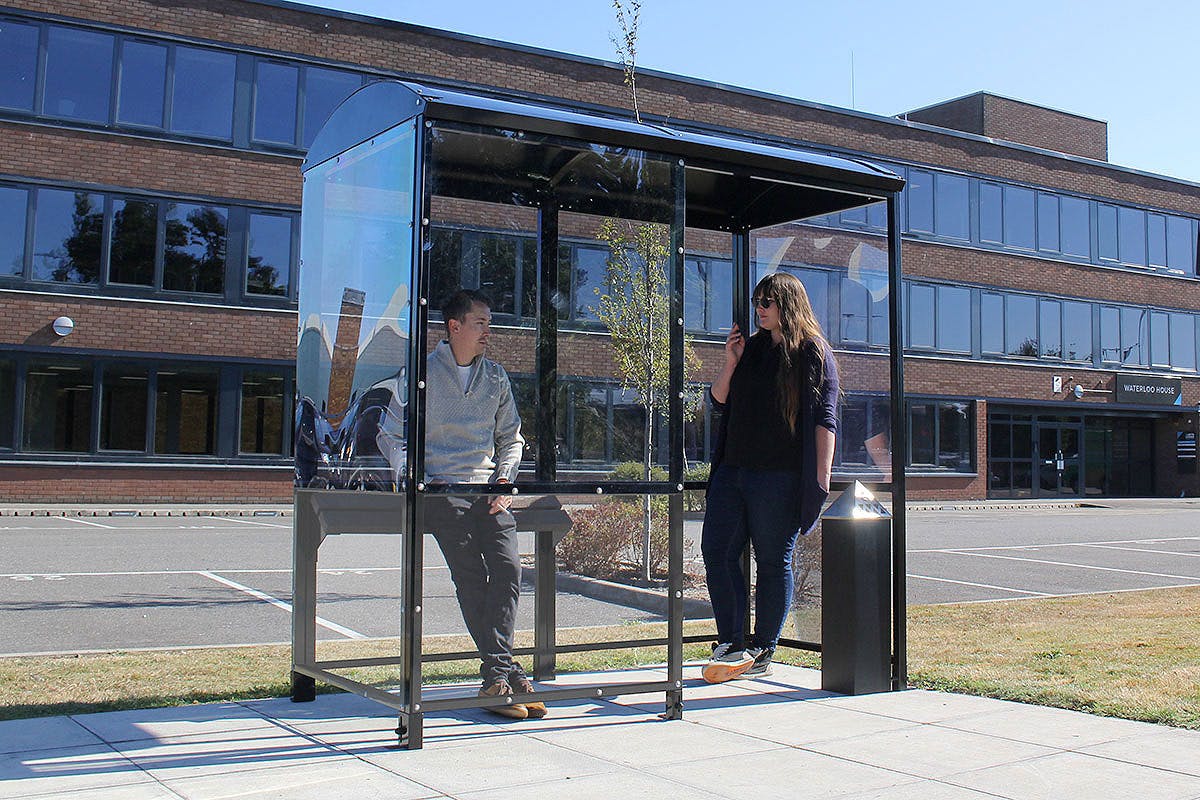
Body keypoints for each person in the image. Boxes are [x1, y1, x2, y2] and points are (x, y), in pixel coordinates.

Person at [700, 271, 839, 683]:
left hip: (779, 477)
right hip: (733, 471)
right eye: (758, 301)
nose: (759, 309)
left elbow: (825, 420)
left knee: (773, 560)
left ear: (787, 304)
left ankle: (762, 647)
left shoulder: (813, 352)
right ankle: (731, 640)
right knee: (716, 551)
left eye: (767, 302)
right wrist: (731, 362)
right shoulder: (754, 348)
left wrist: (819, 481)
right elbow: (719, 399)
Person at [424, 289, 545, 719]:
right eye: (481, 324)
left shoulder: (495, 377)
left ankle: (497, 675)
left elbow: (511, 438)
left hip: (490, 492)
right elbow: (394, 435)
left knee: (509, 569)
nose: (487, 333)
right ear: (454, 326)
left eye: (489, 324)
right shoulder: (422, 374)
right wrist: (422, 478)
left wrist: (504, 480)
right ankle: (502, 675)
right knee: (471, 576)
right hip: (443, 492)